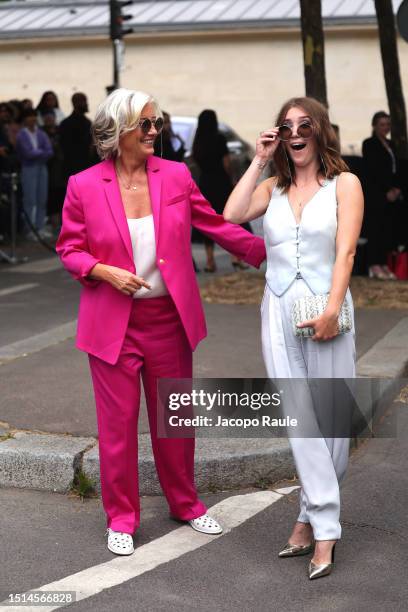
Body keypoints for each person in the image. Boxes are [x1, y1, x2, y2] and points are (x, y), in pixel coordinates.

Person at [56, 88, 266, 556]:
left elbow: (213, 224)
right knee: (118, 426)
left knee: (175, 420)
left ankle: (185, 503)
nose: (156, 132)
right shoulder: (84, 185)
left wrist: (269, 253)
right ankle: (122, 518)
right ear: (120, 132)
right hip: (113, 323)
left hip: (169, 320)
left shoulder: (174, 176)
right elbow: (69, 249)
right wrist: (103, 271)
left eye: (158, 123)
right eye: (146, 125)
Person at [224, 96, 363, 580]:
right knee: (302, 420)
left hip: (328, 308)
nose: (296, 132)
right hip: (277, 310)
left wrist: (330, 311)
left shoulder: (346, 184)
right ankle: (326, 526)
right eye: (287, 126)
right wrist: (258, 157)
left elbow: (346, 255)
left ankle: (306, 516)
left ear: (321, 131)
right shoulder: (272, 187)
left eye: (305, 125)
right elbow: (231, 214)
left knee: (334, 423)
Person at [192, 109, 249, 272]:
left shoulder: (198, 141)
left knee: (208, 221)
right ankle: (235, 257)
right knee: (229, 219)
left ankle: (210, 261)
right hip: (221, 182)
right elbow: (226, 163)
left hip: (205, 183)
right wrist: (232, 179)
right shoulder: (219, 139)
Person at [362, 111, 402, 279]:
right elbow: (374, 170)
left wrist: (396, 188)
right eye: (382, 124)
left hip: (391, 193)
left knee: (387, 229)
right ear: (374, 126)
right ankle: (374, 264)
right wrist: (386, 190)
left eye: (387, 124)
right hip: (376, 193)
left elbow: (395, 169)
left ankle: (384, 264)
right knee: (375, 229)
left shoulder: (391, 144)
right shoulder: (369, 144)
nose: (385, 128)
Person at [16, 109, 53, 239]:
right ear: (25, 119)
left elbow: (49, 151)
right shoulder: (21, 135)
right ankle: (29, 229)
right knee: (30, 199)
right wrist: (40, 152)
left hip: (42, 167)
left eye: (33, 116)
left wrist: (36, 152)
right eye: (29, 117)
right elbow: (27, 153)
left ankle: (40, 227)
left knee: (42, 198)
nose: (32, 119)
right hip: (28, 168)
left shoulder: (41, 133)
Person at [59, 93, 94, 182]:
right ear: (75, 103)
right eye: (83, 101)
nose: (86, 104)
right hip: (73, 166)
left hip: (86, 165)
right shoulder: (66, 124)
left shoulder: (88, 123)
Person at [41, 112, 65, 234]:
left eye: (51, 118)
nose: (49, 121)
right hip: (48, 168)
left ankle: (62, 224)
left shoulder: (60, 132)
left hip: (61, 169)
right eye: (47, 119)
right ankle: (54, 223)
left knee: (61, 196)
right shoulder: (41, 133)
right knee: (51, 198)